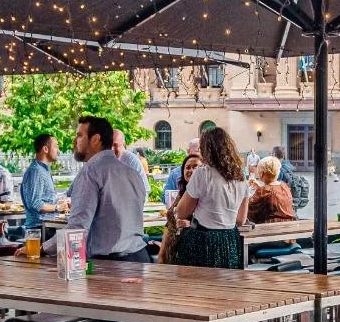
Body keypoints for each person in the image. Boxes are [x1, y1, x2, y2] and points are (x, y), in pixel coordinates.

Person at [50, 115, 150, 262]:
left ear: (95, 139)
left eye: (79, 136)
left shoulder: (90, 172)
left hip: (109, 266)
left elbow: (77, 229)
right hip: (140, 258)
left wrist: (43, 248)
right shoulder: (133, 173)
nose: (74, 141)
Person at [172, 126, 252, 268]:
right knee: (225, 286)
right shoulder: (240, 176)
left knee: (198, 285)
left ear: (207, 149)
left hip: (202, 239)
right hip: (229, 240)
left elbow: (181, 212)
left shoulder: (203, 173)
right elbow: (240, 220)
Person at [19, 133, 60, 231]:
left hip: (46, 227)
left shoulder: (43, 170)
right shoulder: (36, 171)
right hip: (39, 229)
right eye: (56, 147)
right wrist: (57, 207)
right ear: (45, 149)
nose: (59, 151)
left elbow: (44, 199)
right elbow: (35, 204)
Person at [246, 155, 297, 224]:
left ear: (262, 173)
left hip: (270, 228)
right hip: (289, 224)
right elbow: (273, 197)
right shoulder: (284, 186)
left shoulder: (264, 191)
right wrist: (259, 188)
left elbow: (248, 208)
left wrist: (246, 190)